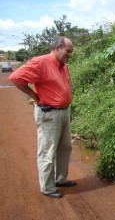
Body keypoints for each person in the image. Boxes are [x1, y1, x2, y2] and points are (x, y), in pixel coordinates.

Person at [9, 36, 76, 199]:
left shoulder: (63, 65)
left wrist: (67, 108)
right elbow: (16, 78)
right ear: (57, 47)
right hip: (49, 114)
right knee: (48, 151)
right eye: (68, 51)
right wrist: (34, 95)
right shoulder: (40, 62)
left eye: (71, 52)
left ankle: (61, 178)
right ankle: (47, 186)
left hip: (64, 112)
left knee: (65, 147)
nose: (69, 55)